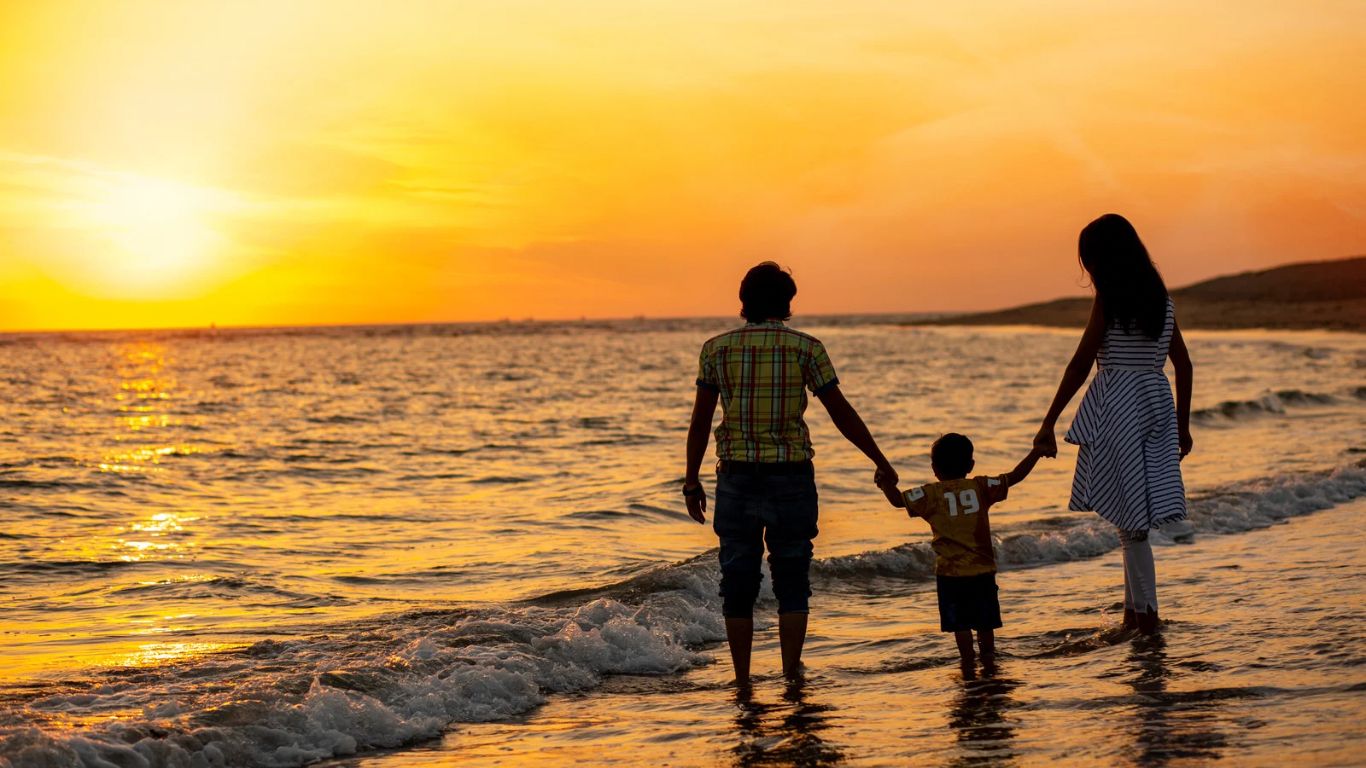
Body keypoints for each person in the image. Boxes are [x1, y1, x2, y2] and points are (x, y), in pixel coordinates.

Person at [683, 262, 897, 685]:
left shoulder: (716, 349)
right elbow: (841, 412)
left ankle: (742, 679)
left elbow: (701, 422)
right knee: (793, 577)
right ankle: (789, 675)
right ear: (788, 302)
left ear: (743, 301)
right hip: (792, 476)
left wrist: (691, 480)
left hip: (737, 477)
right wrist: (880, 460)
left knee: (737, 580)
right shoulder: (806, 348)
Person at [1033, 213, 1193, 635]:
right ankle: (1132, 616)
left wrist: (1049, 420)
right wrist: (1182, 425)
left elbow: (1082, 362)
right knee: (1132, 516)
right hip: (1155, 404)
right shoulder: (1162, 299)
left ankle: (1148, 620)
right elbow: (1183, 364)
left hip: (1119, 407)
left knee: (1131, 524)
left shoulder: (1109, 299)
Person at [876, 434, 1042, 668]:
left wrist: (884, 482)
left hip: (950, 574)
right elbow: (1014, 477)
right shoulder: (980, 487)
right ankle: (988, 659)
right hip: (982, 570)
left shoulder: (930, 494)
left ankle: (967, 662)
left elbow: (897, 500)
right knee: (985, 623)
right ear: (970, 465)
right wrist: (1036, 452)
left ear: (934, 468)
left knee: (961, 625)